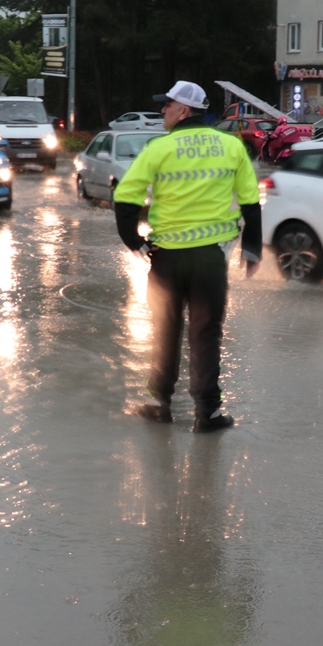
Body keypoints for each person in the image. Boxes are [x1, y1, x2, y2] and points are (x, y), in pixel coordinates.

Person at [114, 80, 261, 433]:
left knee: (164, 328)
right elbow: (250, 202)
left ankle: (157, 403)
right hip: (210, 260)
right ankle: (207, 414)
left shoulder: (158, 148)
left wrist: (133, 240)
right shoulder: (231, 146)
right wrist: (252, 248)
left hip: (166, 260)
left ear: (183, 110)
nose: (162, 110)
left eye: (167, 105)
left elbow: (126, 196)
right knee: (206, 334)